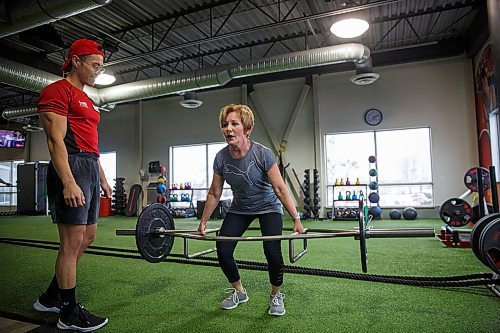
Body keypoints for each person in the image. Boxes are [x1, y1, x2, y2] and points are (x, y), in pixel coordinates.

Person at [197, 103, 305, 316]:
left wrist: (296, 218)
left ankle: (275, 294)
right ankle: (239, 291)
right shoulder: (221, 158)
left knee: (272, 250)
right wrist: (203, 222)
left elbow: (280, 188)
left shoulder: (262, 154)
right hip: (240, 207)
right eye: (225, 124)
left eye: (234, 124)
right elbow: (214, 192)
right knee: (223, 248)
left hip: (268, 206)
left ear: (246, 129)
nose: (228, 128)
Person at [35, 39, 112, 332]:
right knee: (71, 242)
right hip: (72, 167)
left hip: (89, 166)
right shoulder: (57, 91)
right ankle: (68, 312)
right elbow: (56, 141)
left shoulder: (88, 100)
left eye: (100, 67)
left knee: (87, 237)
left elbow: (92, 145)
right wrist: (68, 181)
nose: (97, 71)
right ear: (76, 61)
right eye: (94, 65)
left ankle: (51, 296)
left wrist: (102, 178)